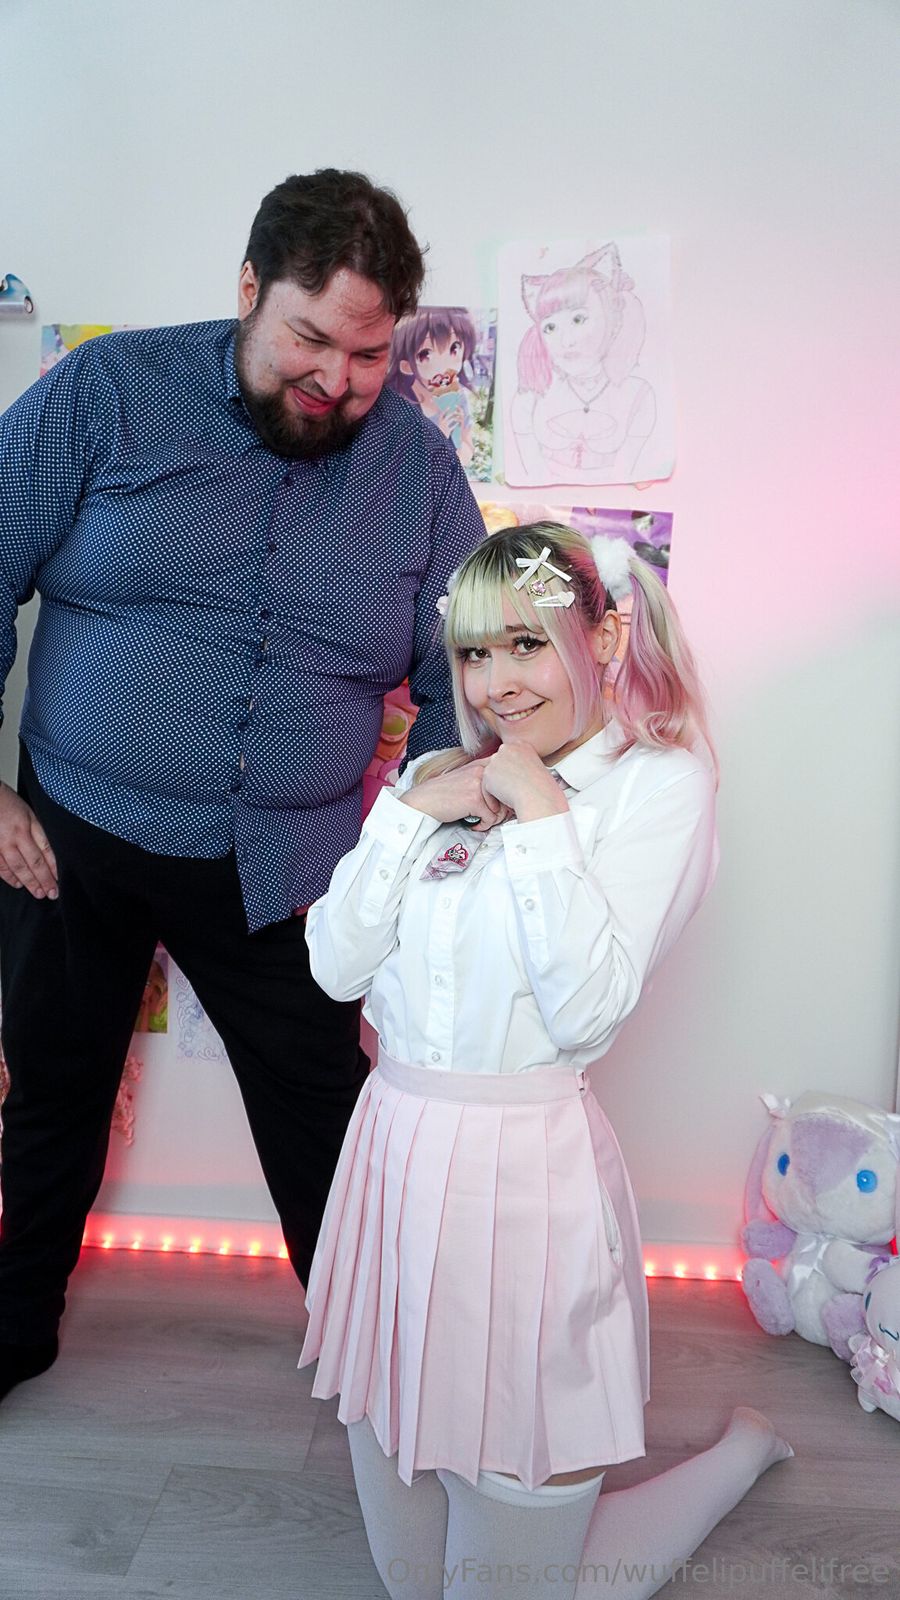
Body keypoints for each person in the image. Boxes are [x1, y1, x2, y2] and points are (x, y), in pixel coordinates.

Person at [0, 168, 486, 1401]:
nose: (336, 379)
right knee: (52, 1085)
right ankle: (15, 1324)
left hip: (286, 867)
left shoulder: (424, 477)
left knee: (329, 1114)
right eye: (309, 339)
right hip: (76, 830)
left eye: (368, 355)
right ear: (249, 288)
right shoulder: (110, 392)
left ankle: (388, 1365)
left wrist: (419, 851)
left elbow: (465, 678)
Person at [298, 522, 792, 1600]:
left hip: (526, 1177)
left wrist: (539, 814)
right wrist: (406, 815)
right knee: (411, 1578)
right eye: (476, 653)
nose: (498, 683)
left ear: (603, 639)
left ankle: (739, 1454)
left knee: (513, 1580)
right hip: (390, 1164)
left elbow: (584, 1012)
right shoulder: (437, 774)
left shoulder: (659, 786)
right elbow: (335, 969)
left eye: (528, 644)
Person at [511, 244, 656, 485]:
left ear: (613, 319)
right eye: (550, 327)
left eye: (578, 319)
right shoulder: (531, 396)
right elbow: (530, 470)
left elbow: (630, 472)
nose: (566, 341)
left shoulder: (639, 395)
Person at [387, 306, 478, 468]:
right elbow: (400, 464)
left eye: (454, 348)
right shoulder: (399, 403)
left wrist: (459, 435)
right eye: (426, 354)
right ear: (406, 366)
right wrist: (439, 436)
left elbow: (466, 454)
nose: (444, 365)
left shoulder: (459, 397)